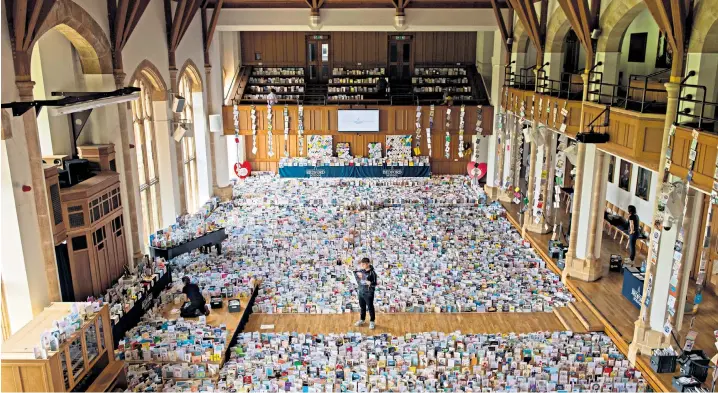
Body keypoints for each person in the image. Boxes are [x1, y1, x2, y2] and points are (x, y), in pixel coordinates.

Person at [353, 258, 377, 329]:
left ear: (368, 264)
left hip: (368, 293)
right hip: (361, 291)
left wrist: (370, 283)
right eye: (361, 264)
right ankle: (362, 319)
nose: (362, 265)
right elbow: (356, 275)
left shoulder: (372, 273)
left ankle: (372, 321)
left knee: (370, 307)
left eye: (363, 264)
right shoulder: (361, 271)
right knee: (362, 307)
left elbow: (374, 283)